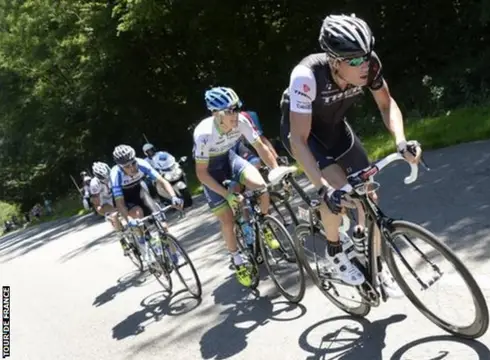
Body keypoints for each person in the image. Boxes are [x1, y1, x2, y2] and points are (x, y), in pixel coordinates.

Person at [279, 14, 422, 296]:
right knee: (338, 193)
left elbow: (386, 104)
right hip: (305, 138)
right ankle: (334, 251)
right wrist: (323, 189)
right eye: (355, 60)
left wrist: (402, 141)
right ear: (334, 61)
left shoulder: (371, 65)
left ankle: (376, 269)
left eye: (366, 56)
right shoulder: (306, 77)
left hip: (336, 131)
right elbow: (298, 139)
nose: (365, 65)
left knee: (368, 197)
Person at [193, 86, 280, 286]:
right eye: (229, 111)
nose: (235, 114)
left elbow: (260, 147)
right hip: (210, 172)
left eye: (236, 108)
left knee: (261, 186)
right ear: (215, 114)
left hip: (229, 159)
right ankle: (237, 260)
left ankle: (265, 225)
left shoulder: (242, 121)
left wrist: (275, 169)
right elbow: (201, 173)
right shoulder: (203, 134)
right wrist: (227, 194)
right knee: (227, 219)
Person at [110, 144, 183, 267]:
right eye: (127, 166)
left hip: (140, 192)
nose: (132, 167)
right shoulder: (116, 174)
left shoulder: (141, 164)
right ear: (121, 167)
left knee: (163, 225)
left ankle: (174, 255)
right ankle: (144, 248)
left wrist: (173, 197)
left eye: (133, 163)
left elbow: (162, 181)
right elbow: (120, 203)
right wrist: (128, 220)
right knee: (137, 216)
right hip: (125, 198)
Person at [90, 161, 129, 256]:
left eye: (108, 176)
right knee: (114, 216)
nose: (107, 179)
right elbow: (97, 204)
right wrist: (105, 213)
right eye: (104, 178)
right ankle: (122, 240)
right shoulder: (94, 184)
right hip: (104, 202)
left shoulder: (114, 174)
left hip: (115, 196)